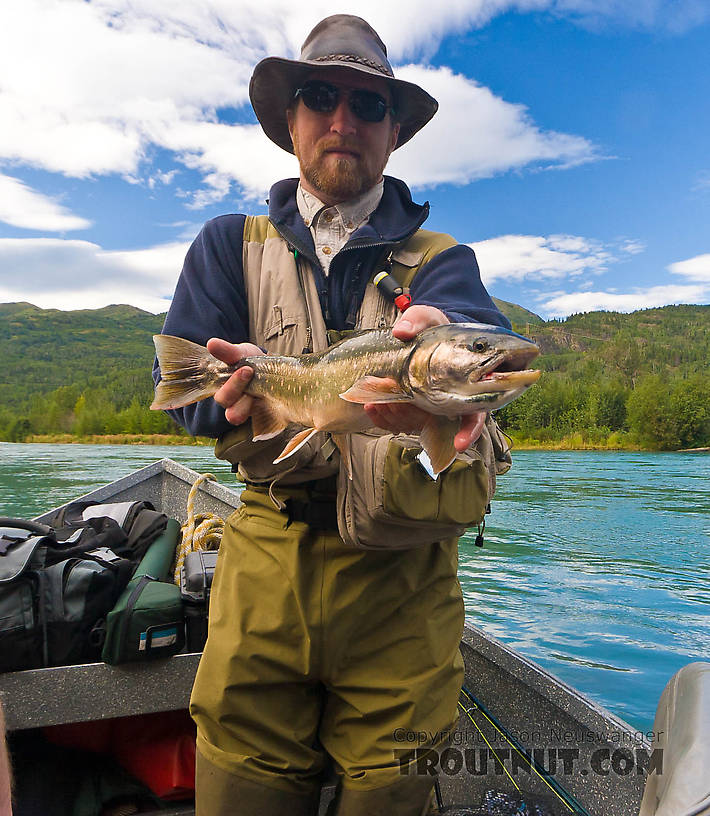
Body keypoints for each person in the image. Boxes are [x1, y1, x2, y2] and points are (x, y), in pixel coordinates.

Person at [155, 14, 512, 816]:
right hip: (265, 559)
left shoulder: (444, 260)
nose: (344, 120)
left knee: (392, 795)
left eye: (369, 105)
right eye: (321, 96)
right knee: (240, 788)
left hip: (404, 588)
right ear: (291, 120)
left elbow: (457, 335)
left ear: (394, 132)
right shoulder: (226, 244)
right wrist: (230, 408)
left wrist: (432, 359)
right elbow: (178, 392)